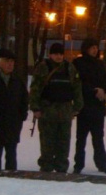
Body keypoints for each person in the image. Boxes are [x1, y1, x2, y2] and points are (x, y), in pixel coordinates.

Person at [29, 43, 84, 173]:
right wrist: (36, 108)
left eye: (60, 54)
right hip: (47, 111)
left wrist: (77, 107)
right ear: (50, 55)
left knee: (64, 142)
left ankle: (61, 167)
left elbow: (77, 87)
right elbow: (35, 88)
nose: (59, 57)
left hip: (65, 111)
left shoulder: (69, 68)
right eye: (56, 54)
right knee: (47, 142)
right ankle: (46, 166)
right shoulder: (43, 68)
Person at [72, 38, 106, 174]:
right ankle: (78, 164)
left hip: (98, 107)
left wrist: (103, 89)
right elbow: (77, 84)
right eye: (92, 47)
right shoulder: (78, 63)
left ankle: (102, 164)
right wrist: (93, 90)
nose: (95, 50)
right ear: (86, 48)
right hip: (84, 106)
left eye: (96, 47)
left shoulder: (100, 64)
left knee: (98, 138)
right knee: (81, 139)